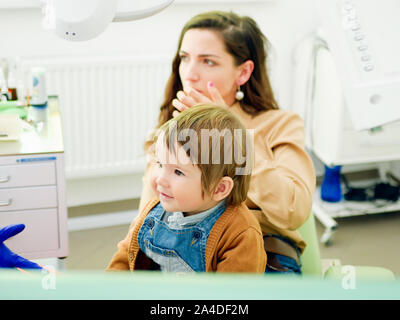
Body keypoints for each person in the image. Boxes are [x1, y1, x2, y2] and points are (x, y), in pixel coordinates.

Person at [129, 11, 316, 274]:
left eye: (208, 62)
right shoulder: (170, 130)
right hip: (178, 251)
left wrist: (231, 137)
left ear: (243, 72)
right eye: (185, 58)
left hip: (261, 253)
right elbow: (146, 217)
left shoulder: (280, 125)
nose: (190, 74)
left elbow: (293, 211)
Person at [107, 105, 266, 272]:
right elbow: (124, 257)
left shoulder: (240, 234)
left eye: (178, 171)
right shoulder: (154, 212)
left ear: (219, 188)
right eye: (160, 164)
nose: (161, 179)